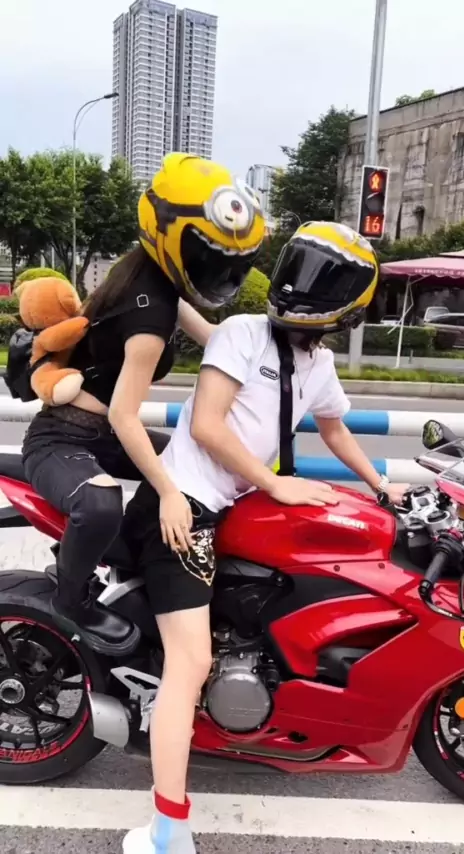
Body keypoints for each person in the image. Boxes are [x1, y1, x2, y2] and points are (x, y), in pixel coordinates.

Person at [121, 221, 409, 854]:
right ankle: (168, 829)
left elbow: (334, 428)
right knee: (191, 663)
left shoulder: (317, 362)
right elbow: (207, 424)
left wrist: (380, 485)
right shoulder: (241, 335)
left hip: (232, 504)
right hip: (183, 505)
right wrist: (275, 483)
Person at [21, 152, 265, 657]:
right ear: (172, 240)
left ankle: (141, 569)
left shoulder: (154, 276)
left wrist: (283, 337)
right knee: (103, 501)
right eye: (208, 256)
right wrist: (170, 493)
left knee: (195, 463)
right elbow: (123, 415)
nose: (221, 271)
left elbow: (217, 338)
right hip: (62, 438)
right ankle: (72, 599)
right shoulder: (149, 313)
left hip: (103, 436)